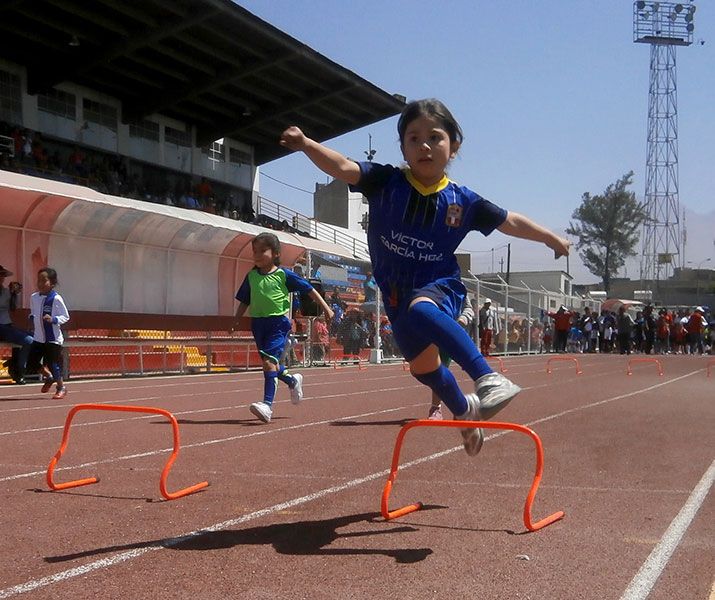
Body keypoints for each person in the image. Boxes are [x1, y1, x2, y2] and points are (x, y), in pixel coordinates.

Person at [280, 98, 570, 456]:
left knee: (422, 310)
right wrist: (307, 144)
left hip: (440, 285)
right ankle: (465, 412)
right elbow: (342, 166)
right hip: (396, 294)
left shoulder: (463, 201)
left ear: (454, 147)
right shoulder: (386, 181)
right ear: (402, 147)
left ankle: (487, 377)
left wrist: (548, 236)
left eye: (435, 137)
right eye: (414, 138)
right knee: (423, 368)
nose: (425, 146)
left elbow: (509, 220)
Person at [231, 233, 334, 423]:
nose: (258, 254)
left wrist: (326, 308)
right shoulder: (251, 276)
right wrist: (236, 320)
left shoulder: (283, 275)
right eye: (255, 251)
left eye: (263, 250)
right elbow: (245, 300)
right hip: (258, 324)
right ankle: (293, 381)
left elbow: (309, 289)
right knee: (272, 365)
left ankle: (267, 406)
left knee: (269, 363)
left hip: (278, 324)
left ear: (276, 253)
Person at [30, 267, 70, 399]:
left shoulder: (56, 299)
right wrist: (31, 317)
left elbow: (65, 316)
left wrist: (53, 319)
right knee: (32, 362)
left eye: (44, 281)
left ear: (52, 283)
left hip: (52, 338)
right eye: (38, 280)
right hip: (38, 337)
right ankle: (48, 377)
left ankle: (61, 387)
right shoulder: (34, 297)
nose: (40, 283)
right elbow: (34, 312)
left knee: (53, 363)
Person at [0, 265, 34, 384]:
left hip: (6, 325)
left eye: (2, 276)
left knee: (33, 337)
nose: (1, 278)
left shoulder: (5, 292)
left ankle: (15, 362)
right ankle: (20, 370)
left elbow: (13, 308)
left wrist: (14, 293)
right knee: (28, 340)